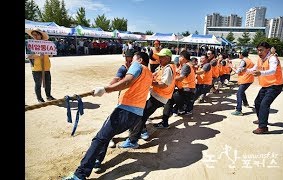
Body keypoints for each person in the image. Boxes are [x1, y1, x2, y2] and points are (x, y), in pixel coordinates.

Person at [62, 51, 152, 180]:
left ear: (140, 60)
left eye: (133, 59)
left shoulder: (137, 65)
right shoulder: (149, 73)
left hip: (125, 111)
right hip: (136, 115)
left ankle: (79, 174)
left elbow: (127, 82)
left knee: (99, 139)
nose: (131, 62)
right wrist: (107, 88)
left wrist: (105, 89)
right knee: (106, 136)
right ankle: (97, 160)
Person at [118, 48, 176, 148]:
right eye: (159, 57)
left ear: (167, 58)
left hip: (160, 97)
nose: (159, 59)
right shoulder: (163, 66)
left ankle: (133, 140)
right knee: (143, 113)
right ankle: (141, 132)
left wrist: (149, 82)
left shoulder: (168, 68)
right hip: (158, 96)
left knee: (142, 115)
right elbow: (154, 74)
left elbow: (163, 84)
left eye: (161, 57)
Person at [247, 42, 283, 134]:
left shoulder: (272, 59)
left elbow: (272, 71)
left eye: (261, 50)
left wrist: (260, 73)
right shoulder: (260, 59)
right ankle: (261, 119)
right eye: (258, 50)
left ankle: (263, 127)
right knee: (257, 102)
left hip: (275, 85)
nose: (259, 52)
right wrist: (245, 70)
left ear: (268, 50)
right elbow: (253, 69)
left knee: (264, 104)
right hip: (266, 85)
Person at [25, 28, 56, 103]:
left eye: (37, 34)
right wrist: (38, 56)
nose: (35, 36)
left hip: (46, 67)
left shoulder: (46, 44)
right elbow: (28, 56)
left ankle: (48, 96)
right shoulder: (30, 44)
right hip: (36, 68)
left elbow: (50, 55)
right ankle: (39, 98)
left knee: (48, 83)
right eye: (33, 35)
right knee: (38, 84)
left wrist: (51, 54)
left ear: (41, 36)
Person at [230, 49, 255, 116]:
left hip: (245, 79)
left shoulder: (243, 61)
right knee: (242, 91)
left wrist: (232, 67)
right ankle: (245, 103)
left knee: (239, 94)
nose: (238, 55)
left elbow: (238, 71)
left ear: (242, 54)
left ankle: (238, 110)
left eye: (239, 53)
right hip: (249, 79)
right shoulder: (249, 61)